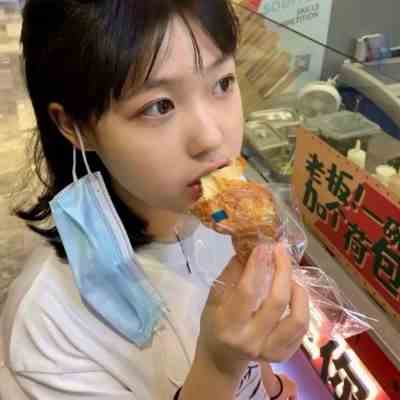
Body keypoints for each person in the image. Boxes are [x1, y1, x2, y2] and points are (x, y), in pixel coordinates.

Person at [0, 1, 310, 399]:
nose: (211, 138)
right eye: (158, 106)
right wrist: (218, 366)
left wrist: (271, 384)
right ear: (75, 125)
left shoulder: (222, 217)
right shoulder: (47, 328)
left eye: (222, 83)